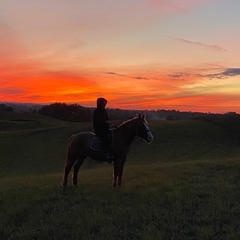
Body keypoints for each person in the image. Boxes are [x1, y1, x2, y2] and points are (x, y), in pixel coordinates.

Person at [93, 97, 113, 162]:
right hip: (99, 130)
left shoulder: (104, 111)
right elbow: (98, 122)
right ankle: (106, 154)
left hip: (106, 129)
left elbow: (107, 119)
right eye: (103, 104)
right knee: (105, 138)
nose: (104, 105)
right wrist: (105, 123)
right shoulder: (96, 112)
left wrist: (108, 122)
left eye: (105, 104)